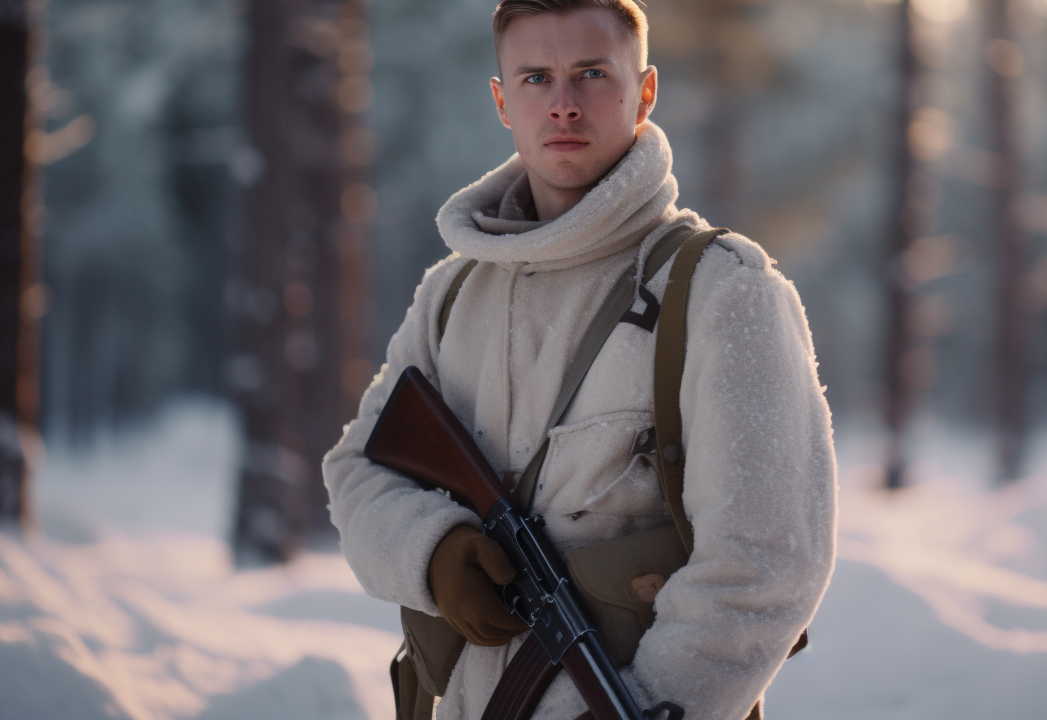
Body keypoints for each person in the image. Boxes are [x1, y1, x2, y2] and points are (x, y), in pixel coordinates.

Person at [322, 1, 836, 718]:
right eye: (535, 78)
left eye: (592, 74)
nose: (562, 105)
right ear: (502, 100)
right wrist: (431, 554)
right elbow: (357, 470)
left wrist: (645, 705)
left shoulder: (723, 290)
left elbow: (764, 564)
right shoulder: (452, 295)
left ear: (645, 91)